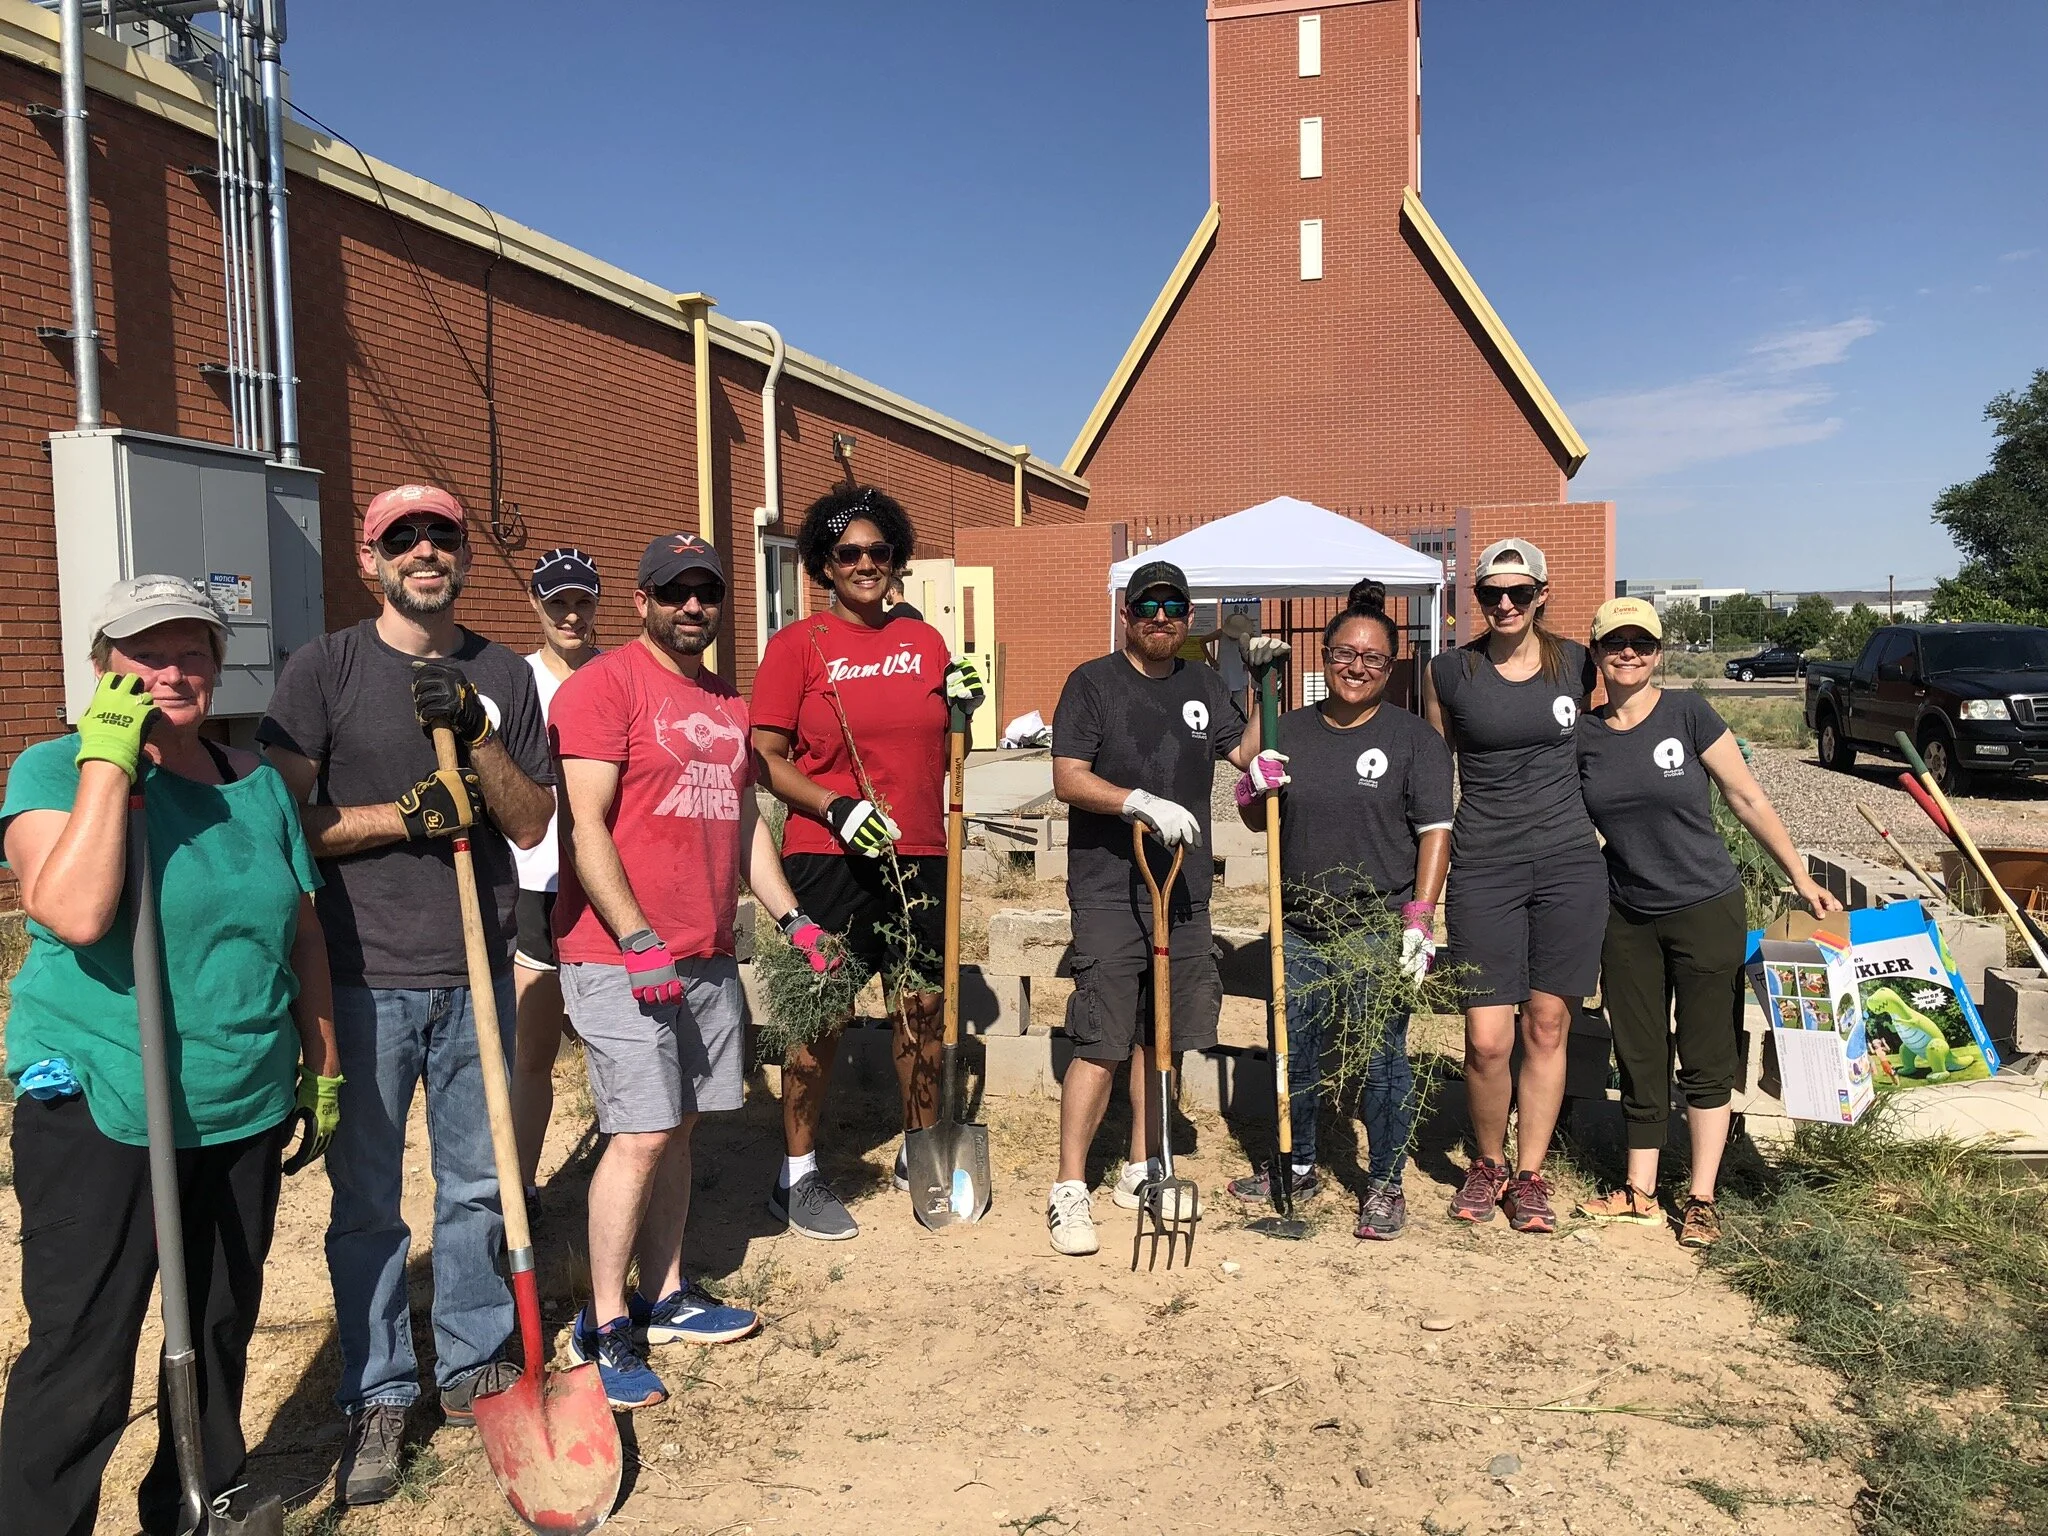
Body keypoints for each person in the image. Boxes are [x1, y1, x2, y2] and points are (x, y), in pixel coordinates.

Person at [0, 576, 338, 1535]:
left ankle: (197, 1496)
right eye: (147, 652)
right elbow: (72, 910)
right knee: (83, 1350)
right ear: (105, 664)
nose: (172, 670)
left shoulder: (257, 782)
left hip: (240, 1099)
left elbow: (302, 932)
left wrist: (322, 1063)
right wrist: (110, 762)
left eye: (193, 651)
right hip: (106, 1100)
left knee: (220, 1321)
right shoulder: (52, 769)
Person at [258, 483, 556, 1506]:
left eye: (441, 537)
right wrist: (402, 813)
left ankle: (475, 1366)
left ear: (464, 554)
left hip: (475, 971)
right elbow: (285, 825)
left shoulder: (504, 673)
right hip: (365, 976)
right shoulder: (324, 669)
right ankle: (378, 1392)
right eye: (403, 539)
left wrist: (476, 735)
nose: (424, 553)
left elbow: (526, 823)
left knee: (477, 1188)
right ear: (369, 556)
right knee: (369, 1209)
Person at [550, 532, 829, 1405]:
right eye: (675, 593)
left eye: (706, 591)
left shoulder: (726, 701)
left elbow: (744, 825)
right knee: (635, 1135)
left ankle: (664, 1295)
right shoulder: (605, 687)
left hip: (706, 954)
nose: (692, 606)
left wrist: (793, 919)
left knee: (679, 1129)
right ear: (642, 601)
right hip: (619, 955)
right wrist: (635, 938)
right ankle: (602, 1325)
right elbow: (585, 823)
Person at [750, 484, 982, 1240]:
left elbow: (948, 754)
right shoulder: (795, 647)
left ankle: (920, 1152)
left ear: (897, 559)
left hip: (918, 855)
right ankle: (798, 1176)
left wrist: (964, 715)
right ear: (823, 562)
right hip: (827, 855)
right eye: (848, 553)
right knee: (816, 1020)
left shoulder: (926, 643)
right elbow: (766, 759)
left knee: (921, 1015)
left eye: (879, 552)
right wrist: (833, 806)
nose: (865, 564)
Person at [1572, 598, 1841, 1247]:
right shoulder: (1584, 737)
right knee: (1639, 1053)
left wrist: (1800, 877)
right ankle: (1639, 1191)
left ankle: (1699, 1196)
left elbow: (1746, 796)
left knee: (1705, 1055)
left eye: (1641, 642)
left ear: (1658, 652)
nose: (1628, 653)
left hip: (1704, 907)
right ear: (1599, 654)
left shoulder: (1688, 713)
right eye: (1616, 643)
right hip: (1627, 915)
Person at [1045, 560, 1277, 1257]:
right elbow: (1065, 777)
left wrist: (1262, 682)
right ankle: (1068, 1189)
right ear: (1127, 613)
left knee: (1161, 1034)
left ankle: (1144, 1166)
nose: (1162, 617)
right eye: (1149, 604)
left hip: (1183, 889)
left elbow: (1245, 752)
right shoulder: (1093, 683)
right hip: (1111, 886)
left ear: (1186, 617)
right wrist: (1134, 802)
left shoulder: (1204, 682)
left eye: (1175, 606)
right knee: (1104, 1038)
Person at [1226, 594, 1453, 1239]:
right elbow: (1257, 813)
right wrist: (1252, 788)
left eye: (1372, 658)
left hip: (1377, 925)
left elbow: (1436, 830)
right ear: (1326, 659)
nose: (1357, 666)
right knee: (1294, 1050)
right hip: (1299, 925)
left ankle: (1383, 1181)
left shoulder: (1414, 741)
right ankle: (1295, 1166)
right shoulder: (1289, 730)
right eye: (1345, 654)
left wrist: (1419, 917)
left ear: (1391, 666)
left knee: (1382, 1055)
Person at [1421, 536, 1602, 1235]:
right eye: (1490, 594)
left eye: (1518, 593)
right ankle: (1486, 1162)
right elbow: (1436, 773)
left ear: (1541, 596)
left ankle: (1529, 1175)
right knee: (1488, 1038)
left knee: (1549, 1025)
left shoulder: (1575, 664)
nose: (1504, 604)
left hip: (1567, 864)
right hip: (1485, 864)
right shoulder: (1449, 672)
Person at [509, 547, 603, 1200]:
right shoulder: (512, 684)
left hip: (604, 888)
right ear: (537, 605)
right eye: (557, 602)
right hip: (533, 886)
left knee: (615, 1053)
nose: (570, 614)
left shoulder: (621, 676)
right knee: (532, 1055)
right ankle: (519, 1195)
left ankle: (626, 1188)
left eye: (581, 601)